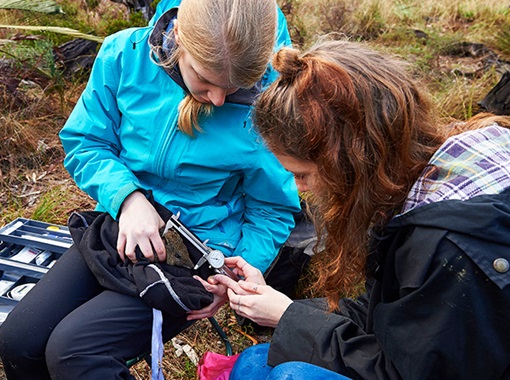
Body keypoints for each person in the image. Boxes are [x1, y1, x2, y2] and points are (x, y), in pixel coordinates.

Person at [0, 0, 300, 379]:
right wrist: (128, 199)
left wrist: (238, 269)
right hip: (121, 231)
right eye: (205, 82)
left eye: (234, 87)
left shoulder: (269, 108)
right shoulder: (125, 55)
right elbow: (85, 142)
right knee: (17, 342)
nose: (219, 100)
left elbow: (272, 209)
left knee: (75, 353)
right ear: (180, 43)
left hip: (195, 260)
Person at [213, 39, 510, 380]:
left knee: (289, 375)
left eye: (302, 174)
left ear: (349, 162)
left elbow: (406, 370)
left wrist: (286, 316)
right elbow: (391, 317)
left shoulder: (447, 250)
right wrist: (283, 307)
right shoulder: (428, 173)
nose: (300, 189)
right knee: (252, 364)